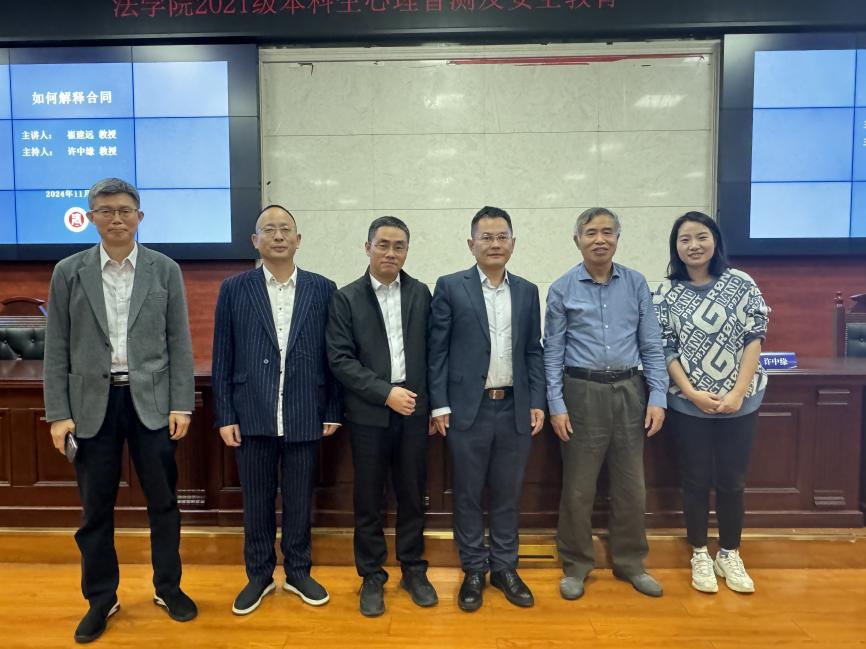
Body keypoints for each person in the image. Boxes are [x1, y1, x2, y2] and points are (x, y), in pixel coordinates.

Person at [43, 178, 197, 643]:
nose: (116, 218)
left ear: (139, 217)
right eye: (106, 211)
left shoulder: (164, 269)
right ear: (91, 218)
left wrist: (181, 403)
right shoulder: (68, 271)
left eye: (125, 210)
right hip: (92, 405)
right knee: (96, 509)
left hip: (152, 403)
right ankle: (101, 598)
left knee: (164, 503)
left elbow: (179, 342)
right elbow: (57, 347)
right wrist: (58, 414)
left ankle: (168, 588)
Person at [212, 205, 341, 615]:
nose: (279, 235)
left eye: (286, 229)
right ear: (256, 241)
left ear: (298, 240)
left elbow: (335, 355)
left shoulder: (323, 288)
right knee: (257, 501)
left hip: (306, 410)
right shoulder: (234, 288)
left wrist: (333, 408)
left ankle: (299, 571)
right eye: (269, 229)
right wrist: (225, 414)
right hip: (252, 412)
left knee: (300, 500)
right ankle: (259, 575)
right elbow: (222, 355)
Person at [544, 207, 668, 601]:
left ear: (617, 238)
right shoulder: (562, 288)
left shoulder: (635, 283)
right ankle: (576, 565)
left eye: (608, 232)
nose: (600, 239)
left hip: (631, 391)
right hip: (581, 392)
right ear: (577, 240)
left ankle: (631, 562)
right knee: (579, 488)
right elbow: (552, 352)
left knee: (632, 487)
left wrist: (658, 395)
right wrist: (556, 403)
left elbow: (651, 344)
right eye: (591, 232)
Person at [428, 206, 546, 612]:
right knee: (467, 494)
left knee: (508, 494)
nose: (495, 244)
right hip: (468, 410)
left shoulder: (527, 291)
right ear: (471, 243)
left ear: (513, 242)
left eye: (502, 237)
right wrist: (439, 404)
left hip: (514, 408)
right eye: (487, 237)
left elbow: (533, 351)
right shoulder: (450, 286)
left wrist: (537, 401)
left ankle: (505, 568)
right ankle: (474, 569)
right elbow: (437, 351)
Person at [325, 216, 437, 617]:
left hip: (414, 410)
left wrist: (430, 405)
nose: (391, 253)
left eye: (399, 246)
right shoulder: (346, 298)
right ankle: (372, 575)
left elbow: (433, 353)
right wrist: (385, 393)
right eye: (383, 245)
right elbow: (340, 359)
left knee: (412, 494)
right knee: (369, 498)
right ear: (368, 247)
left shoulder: (421, 293)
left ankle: (413, 569)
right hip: (369, 412)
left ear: (407, 251)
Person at [653, 211, 769, 594]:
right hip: (689, 405)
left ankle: (730, 553)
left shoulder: (742, 283)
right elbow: (665, 348)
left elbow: (755, 338)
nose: (694, 246)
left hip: (741, 402)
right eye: (684, 239)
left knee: (733, 481)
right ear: (676, 247)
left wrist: (737, 393)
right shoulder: (666, 292)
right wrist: (692, 393)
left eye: (701, 237)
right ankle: (700, 553)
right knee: (695, 480)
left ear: (715, 240)